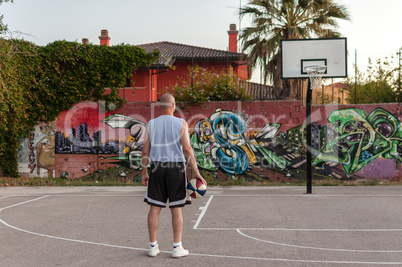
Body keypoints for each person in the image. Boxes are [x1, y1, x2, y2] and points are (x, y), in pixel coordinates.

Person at [141, 93, 207, 258]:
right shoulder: (181, 123)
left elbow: (145, 150)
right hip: (176, 168)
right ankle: (177, 248)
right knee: (176, 210)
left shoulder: (151, 124)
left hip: (156, 167)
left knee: (154, 209)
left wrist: (144, 172)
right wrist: (197, 172)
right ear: (173, 105)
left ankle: (152, 247)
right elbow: (187, 149)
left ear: (160, 106)